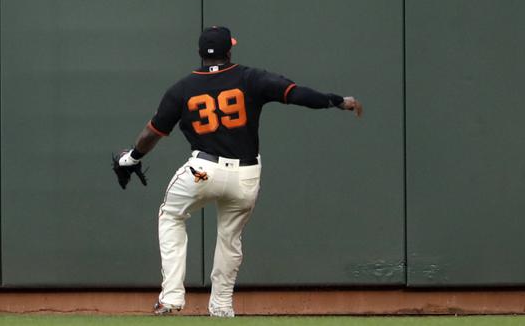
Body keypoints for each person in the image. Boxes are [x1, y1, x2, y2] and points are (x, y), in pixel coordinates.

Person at [113, 25, 363, 318]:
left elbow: (150, 134)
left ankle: (170, 299)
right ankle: (221, 307)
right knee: (230, 238)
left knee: (171, 215)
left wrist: (133, 157)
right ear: (229, 50)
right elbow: (296, 94)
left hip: (202, 172)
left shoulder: (182, 88)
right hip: (245, 175)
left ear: (199, 54)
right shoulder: (250, 78)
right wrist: (337, 101)